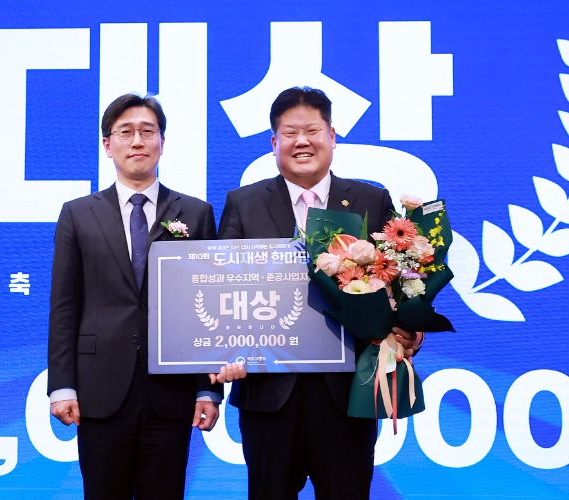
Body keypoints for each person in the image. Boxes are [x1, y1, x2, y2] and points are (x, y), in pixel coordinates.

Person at [218, 87, 424, 500]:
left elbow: (400, 276)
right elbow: (223, 287)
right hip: (268, 395)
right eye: (290, 133)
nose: (302, 141)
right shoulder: (244, 203)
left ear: (332, 136)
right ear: (274, 142)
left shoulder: (370, 200)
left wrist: (409, 330)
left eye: (312, 131)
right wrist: (223, 351)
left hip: (348, 393)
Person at [47, 93, 243, 499]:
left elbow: (208, 307)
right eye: (126, 132)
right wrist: (62, 386)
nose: (137, 141)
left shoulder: (195, 213)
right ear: (107, 145)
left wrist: (207, 389)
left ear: (162, 142)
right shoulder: (78, 213)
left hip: (171, 391)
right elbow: (65, 306)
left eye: (147, 131)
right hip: (99, 387)